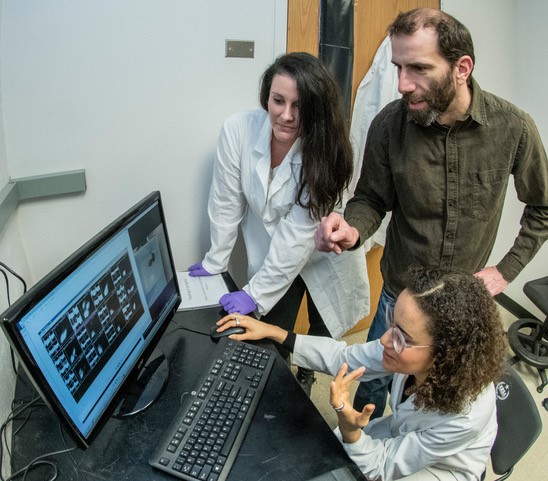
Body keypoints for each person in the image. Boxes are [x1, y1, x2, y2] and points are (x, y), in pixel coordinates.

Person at [314, 7, 548, 417]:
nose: (403, 84)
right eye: (398, 67)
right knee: (369, 390)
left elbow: (543, 207)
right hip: (397, 298)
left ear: (462, 67)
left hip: (462, 308)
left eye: (418, 68)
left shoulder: (514, 128)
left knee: (438, 407)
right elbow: (371, 198)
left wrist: (506, 269)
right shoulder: (389, 125)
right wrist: (351, 229)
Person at [213, 266, 507, 481]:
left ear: (447, 354)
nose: (384, 340)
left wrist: (352, 429)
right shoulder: (409, 353)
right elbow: (346, 356)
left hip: (441, 470)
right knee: (321, 455)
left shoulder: (465, 415)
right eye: (392, 322)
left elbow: (382, 467)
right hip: (402, 435)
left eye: (402, 337)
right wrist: (277, 333)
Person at [188, 52, 370, 394]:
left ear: (315, 108)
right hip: (276, 256)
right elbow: (227, 202)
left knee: (319, 336)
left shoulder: (326, 151)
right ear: (266, 97)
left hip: (324, 256)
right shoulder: (237, 131)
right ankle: (281, 389)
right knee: (270, 339)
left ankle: (308, 377)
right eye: (278, 100)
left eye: (299, 106)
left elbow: (298, 236)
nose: (286, 116)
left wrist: (254, 294)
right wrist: (216, 261)